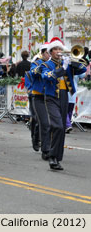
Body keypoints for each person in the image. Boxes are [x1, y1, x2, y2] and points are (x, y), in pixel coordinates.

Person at [41, 37, 86, 170]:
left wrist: (73, 62)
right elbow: (47, 76)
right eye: (56, 49)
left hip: (64, 98)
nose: (59, 51)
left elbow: (83, 70)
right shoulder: (46, 65)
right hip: (51, 98)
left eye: (60, 49)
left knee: (61, 130)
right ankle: (52, 156)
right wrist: (62, 68)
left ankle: (56, 158)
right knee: (58, 126)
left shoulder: (67, 63)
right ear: (51, 51)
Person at [29, 42, 51, 160]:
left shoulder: (54, 64)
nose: (49, 55)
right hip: (38, 97)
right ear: (42, 53)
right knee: (44, 123)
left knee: (50, 124)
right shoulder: (36, 63)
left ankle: (39, 137)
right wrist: (42, 66)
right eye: (47, 52)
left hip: (51, 97)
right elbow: (33, 72)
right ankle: (45, 150)